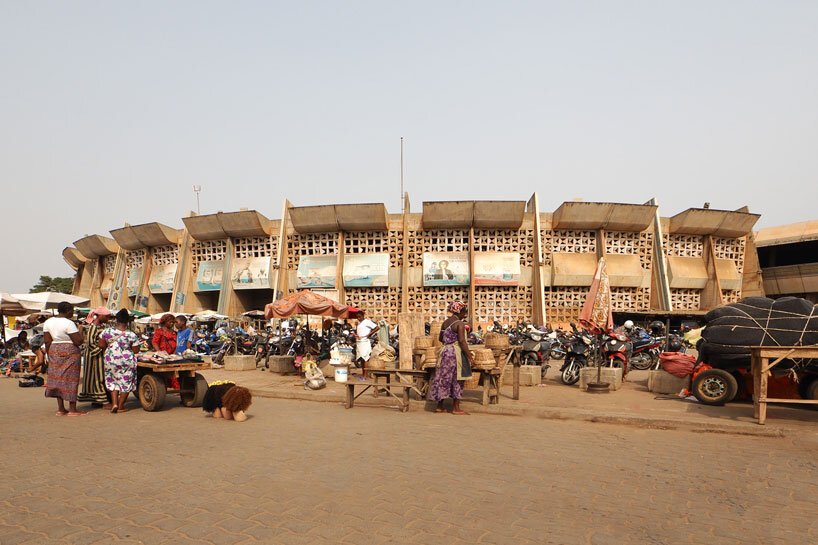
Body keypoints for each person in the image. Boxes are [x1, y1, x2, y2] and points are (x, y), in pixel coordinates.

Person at [429, 300, 475, 415]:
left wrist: (449, 342)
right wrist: (470, 356)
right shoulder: (459, 324)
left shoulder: (446, 323)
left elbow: (440, 338)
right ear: (460, 312)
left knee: (443, 378)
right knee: (457, 379)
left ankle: (439, 406)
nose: (465, 314)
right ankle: (456, 408)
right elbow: (462, 341)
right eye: (464, 311)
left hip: (444, 352)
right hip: (455, 354)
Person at [42, 302, 86, 416]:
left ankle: (61, 409)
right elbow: (78, 341)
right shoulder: (69, 323)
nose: (72, 312)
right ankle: (72, 409)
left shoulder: (48, 322)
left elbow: (47, 340)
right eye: (72, 310)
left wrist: (49, 355)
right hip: (70, 351)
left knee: (58, 379)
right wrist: (80, 330)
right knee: (71, 380)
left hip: (54, 349)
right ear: (67, 310)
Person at [99, 309, 140, 413]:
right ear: (128, 321)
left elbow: (101, 345)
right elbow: (136, 350)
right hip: (126, 360)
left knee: (113, 381)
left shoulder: (106, 331)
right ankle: (121, 406)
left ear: (116, 319)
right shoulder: (131, 334)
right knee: (125, 382)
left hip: (111, 359)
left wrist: (109, 351)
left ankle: (114, 404)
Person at [78, 306, 113, 406]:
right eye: (106, 317)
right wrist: (103, 349)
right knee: (99, 377)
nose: (108, 319)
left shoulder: (100, 326)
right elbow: (91, 343)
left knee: (94, 377)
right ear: (100, 316)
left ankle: (96, 399)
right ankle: (104, 401)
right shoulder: (93, 327)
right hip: (94, 356)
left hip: (97, 354)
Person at [355, 311, 379, 379]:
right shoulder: (359, 323)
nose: (358, 318)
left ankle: (365, 375)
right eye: (357, 317)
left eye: (359, 317)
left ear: (363, 316)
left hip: (365, 342)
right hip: (360, 342)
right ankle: (362, 374)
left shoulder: (367, 322)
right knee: (362, 359)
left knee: (365, 358)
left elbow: (377, 327)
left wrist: (369, 334)